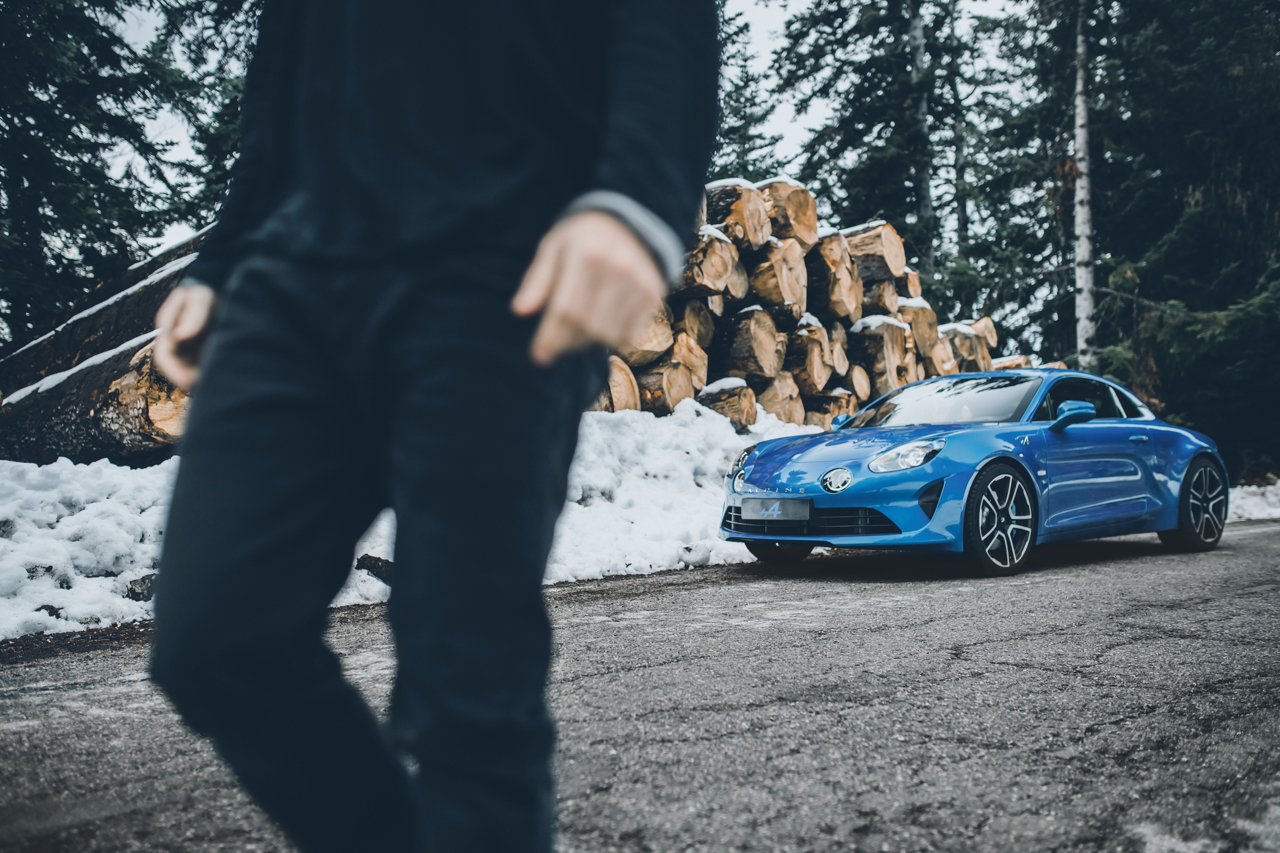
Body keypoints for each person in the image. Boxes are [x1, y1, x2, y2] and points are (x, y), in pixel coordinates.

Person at [146, 2, 719, 852]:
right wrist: (226, 255)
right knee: (215, 642)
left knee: (466, 680)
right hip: (295, 267)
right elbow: (286, 71)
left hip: (505, 261)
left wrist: (639, 192)